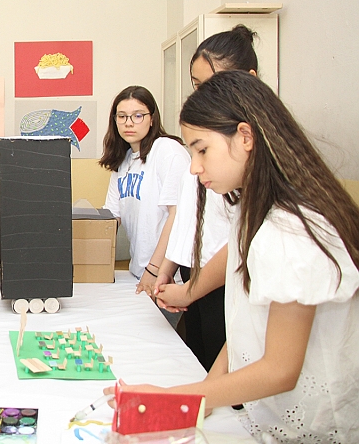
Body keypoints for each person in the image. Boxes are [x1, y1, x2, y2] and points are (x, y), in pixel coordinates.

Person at [106, 70, 359, 441]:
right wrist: (205, 392)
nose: (194, 167)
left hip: (313, 425)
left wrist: (179, 400)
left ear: (245, 137)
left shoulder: (292, 231)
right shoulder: (252, 212)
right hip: (266, 417)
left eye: (202, 150)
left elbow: (280, 369)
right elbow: (246, 326)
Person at [153, 25, 258, 370]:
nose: (195, 167)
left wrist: (189, 289)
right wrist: (168, 270)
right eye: (198, 87)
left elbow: (238, 242)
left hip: (221, 280)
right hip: (197, 273)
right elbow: (186, 216)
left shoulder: (246, 165)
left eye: (213, 84)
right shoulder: (212, 153)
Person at [99, 86, 189, 297]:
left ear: (152, 119)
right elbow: (111, 218)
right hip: (138, 273)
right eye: (122, 116)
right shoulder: (123, 161)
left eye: (138, 115)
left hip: (168, 276)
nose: (129, 123)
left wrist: (154, 270)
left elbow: (179, 215)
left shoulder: (167, 150)